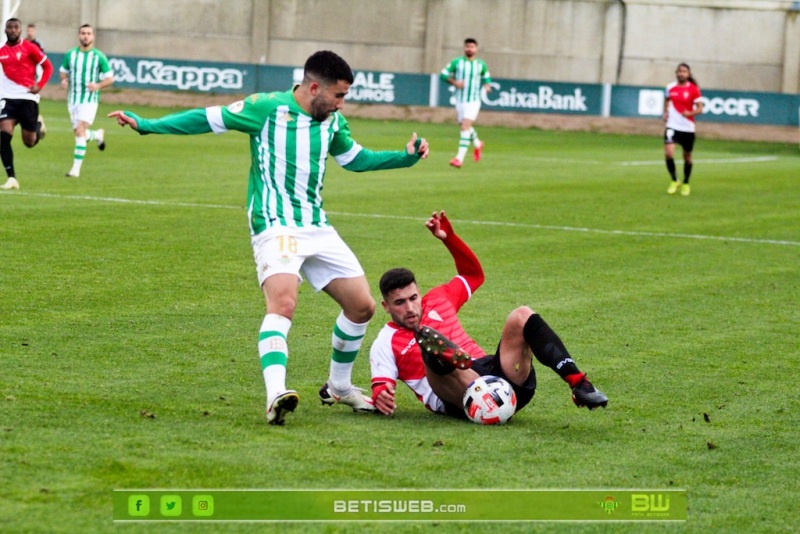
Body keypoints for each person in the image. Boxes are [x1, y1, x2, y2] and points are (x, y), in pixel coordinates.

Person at [108, 50, 430, 426]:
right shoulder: (265, 108)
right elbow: (207, 118)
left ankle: (339, 386)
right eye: (339, 96)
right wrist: (148, 124)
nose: (343, 103)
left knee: (362, 307)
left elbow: (354, 158)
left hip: (316, 225)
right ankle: (275, 392)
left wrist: (403, 157)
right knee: (284, 303)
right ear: (314, 87)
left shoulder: (331, 121)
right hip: (275, 223)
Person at [369, 211, 608, 420]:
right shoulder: (385, 342)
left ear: (419, 293)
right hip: (458, 398)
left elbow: (474, 275)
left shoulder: (439, 298)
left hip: (500, 382)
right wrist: (382, 396)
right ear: (386, 306)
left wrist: (450, 239)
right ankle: (443, 356)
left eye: (413, 298)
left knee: (521, 315)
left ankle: (578, 382)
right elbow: (382, 386)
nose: (410, 308)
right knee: (428, 348)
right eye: (399, 303)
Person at [0, 18, 53, 191]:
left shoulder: (30, 48)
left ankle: (38, 125)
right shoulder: (1, 51)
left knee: (29, 142)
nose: (13, 30)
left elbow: (48, 67)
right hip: (7, 99)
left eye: (16, 27)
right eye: (10, 27)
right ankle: (12, 178)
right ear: (5, 30)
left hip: (27, 98)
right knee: (3, 135)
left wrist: (40, 86)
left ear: (20, 30)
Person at [60, 24, 114, 177]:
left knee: (80, 129)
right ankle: (97, 135)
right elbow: (63, 72)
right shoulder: (71, 54)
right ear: (79, 36)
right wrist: (64, 81)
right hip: (73, 99)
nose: (86, 36)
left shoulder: (99, 56)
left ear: (93, 36)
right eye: (83, 33)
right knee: (79, 133)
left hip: (89, 100)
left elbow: (110, 78)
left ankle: (75, 170)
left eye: (89, 33)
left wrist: (98, 85)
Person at [440, 38, 492, 169]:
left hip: (474, 100)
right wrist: (455, 82)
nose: (470, 49)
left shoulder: (481, 64)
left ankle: (459, 158)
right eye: (468, 46)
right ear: (464, 48)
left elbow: (486, 77)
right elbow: (443, 74)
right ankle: (478, 143)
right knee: (464, 126)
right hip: (460, 99)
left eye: (472, 47)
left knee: (465, 126)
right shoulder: (457, 62)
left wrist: (487, 85)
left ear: (476, 49)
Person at [663, 63, 703, 196]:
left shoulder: (693, 89)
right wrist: (666, 112)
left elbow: (700, 108)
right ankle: (675, 180)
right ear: (676, 73)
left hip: (687, 128)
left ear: (688, 74)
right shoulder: (670, 87)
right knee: (668, 153)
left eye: (684, 71)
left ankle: (686, 182)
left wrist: (689, 113)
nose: (682, 73)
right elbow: (667, 100)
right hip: (672, 126)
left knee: (687, 157)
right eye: (680, 71)